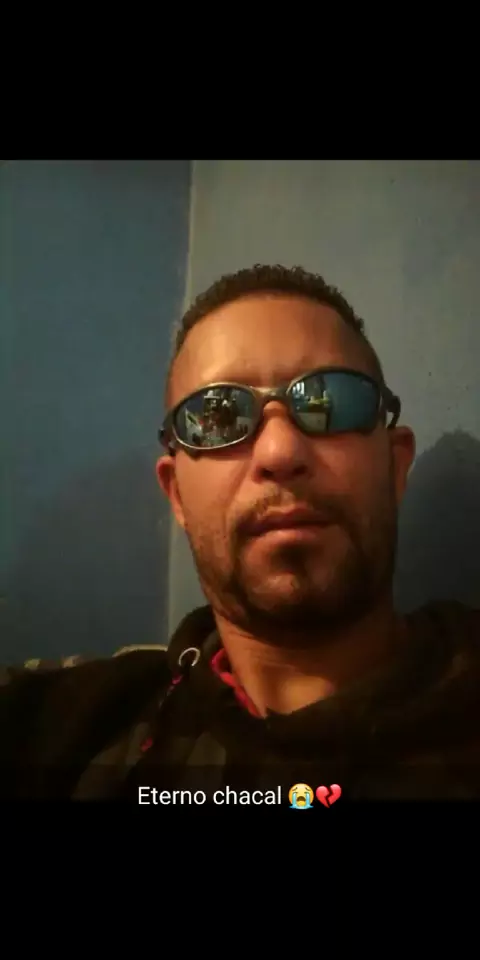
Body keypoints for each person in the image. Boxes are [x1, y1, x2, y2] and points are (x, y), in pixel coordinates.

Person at [2, 263, 479, 802]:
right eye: (218, 414)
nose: (280, 451)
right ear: (177, 495)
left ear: (395, 468)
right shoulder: (65, 728)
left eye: (329, 398)